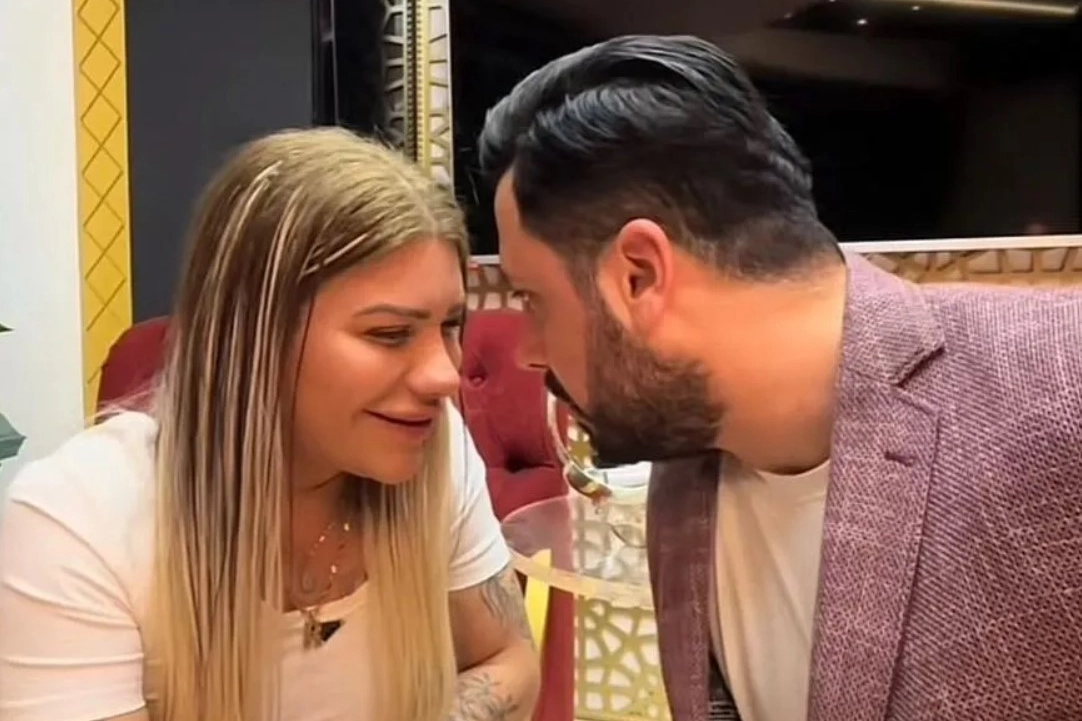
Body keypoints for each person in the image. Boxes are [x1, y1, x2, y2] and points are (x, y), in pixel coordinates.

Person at [478, 34, 1082, 721]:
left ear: (638, 275)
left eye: (533, 300)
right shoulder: (686, 460)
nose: (528, 351)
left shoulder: (1061, 383)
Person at [0, 128, 539, 721]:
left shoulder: (436, 449)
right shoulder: (76, 524)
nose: (444, 375)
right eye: (389, 334)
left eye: (451, 325)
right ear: (250, 337)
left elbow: (512, 659)